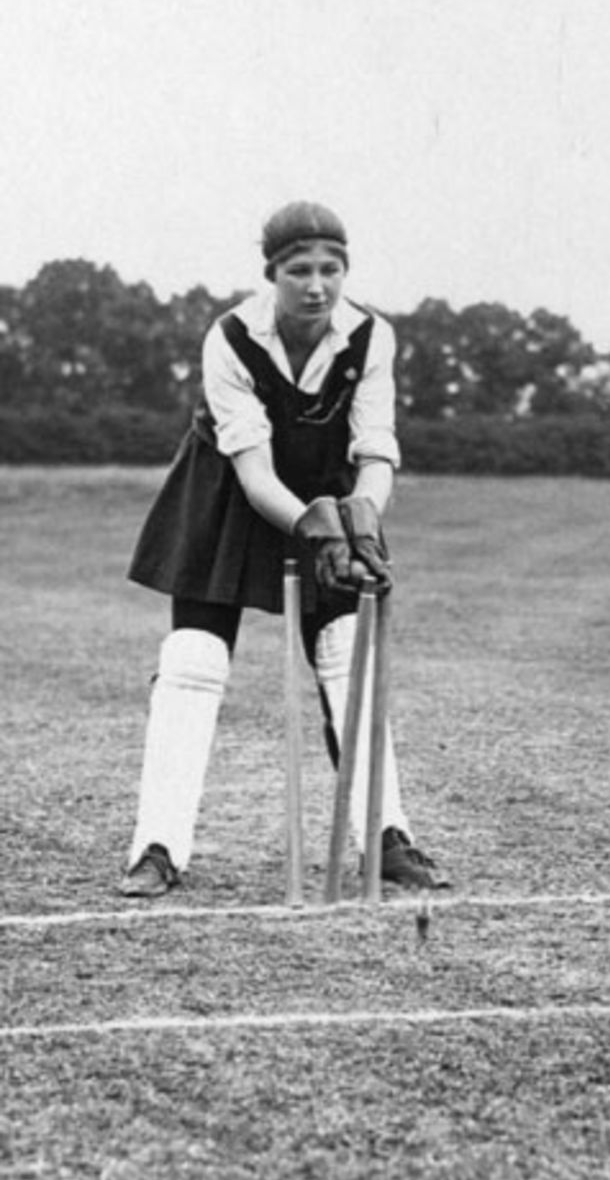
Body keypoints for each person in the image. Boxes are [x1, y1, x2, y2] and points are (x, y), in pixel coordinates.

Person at [119, 201, 449, 898]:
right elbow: (256, 472)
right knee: (193, 661)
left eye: (332, 269)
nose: (317, 286)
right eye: (300, 270)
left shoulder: (371, 337)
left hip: (331, 495)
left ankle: (387, 837)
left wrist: (361, 519)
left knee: (344, 655)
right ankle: (156, 846)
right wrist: (318, 530)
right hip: (231, 496)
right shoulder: (232, 336)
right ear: (272, 273)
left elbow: (377, 448)